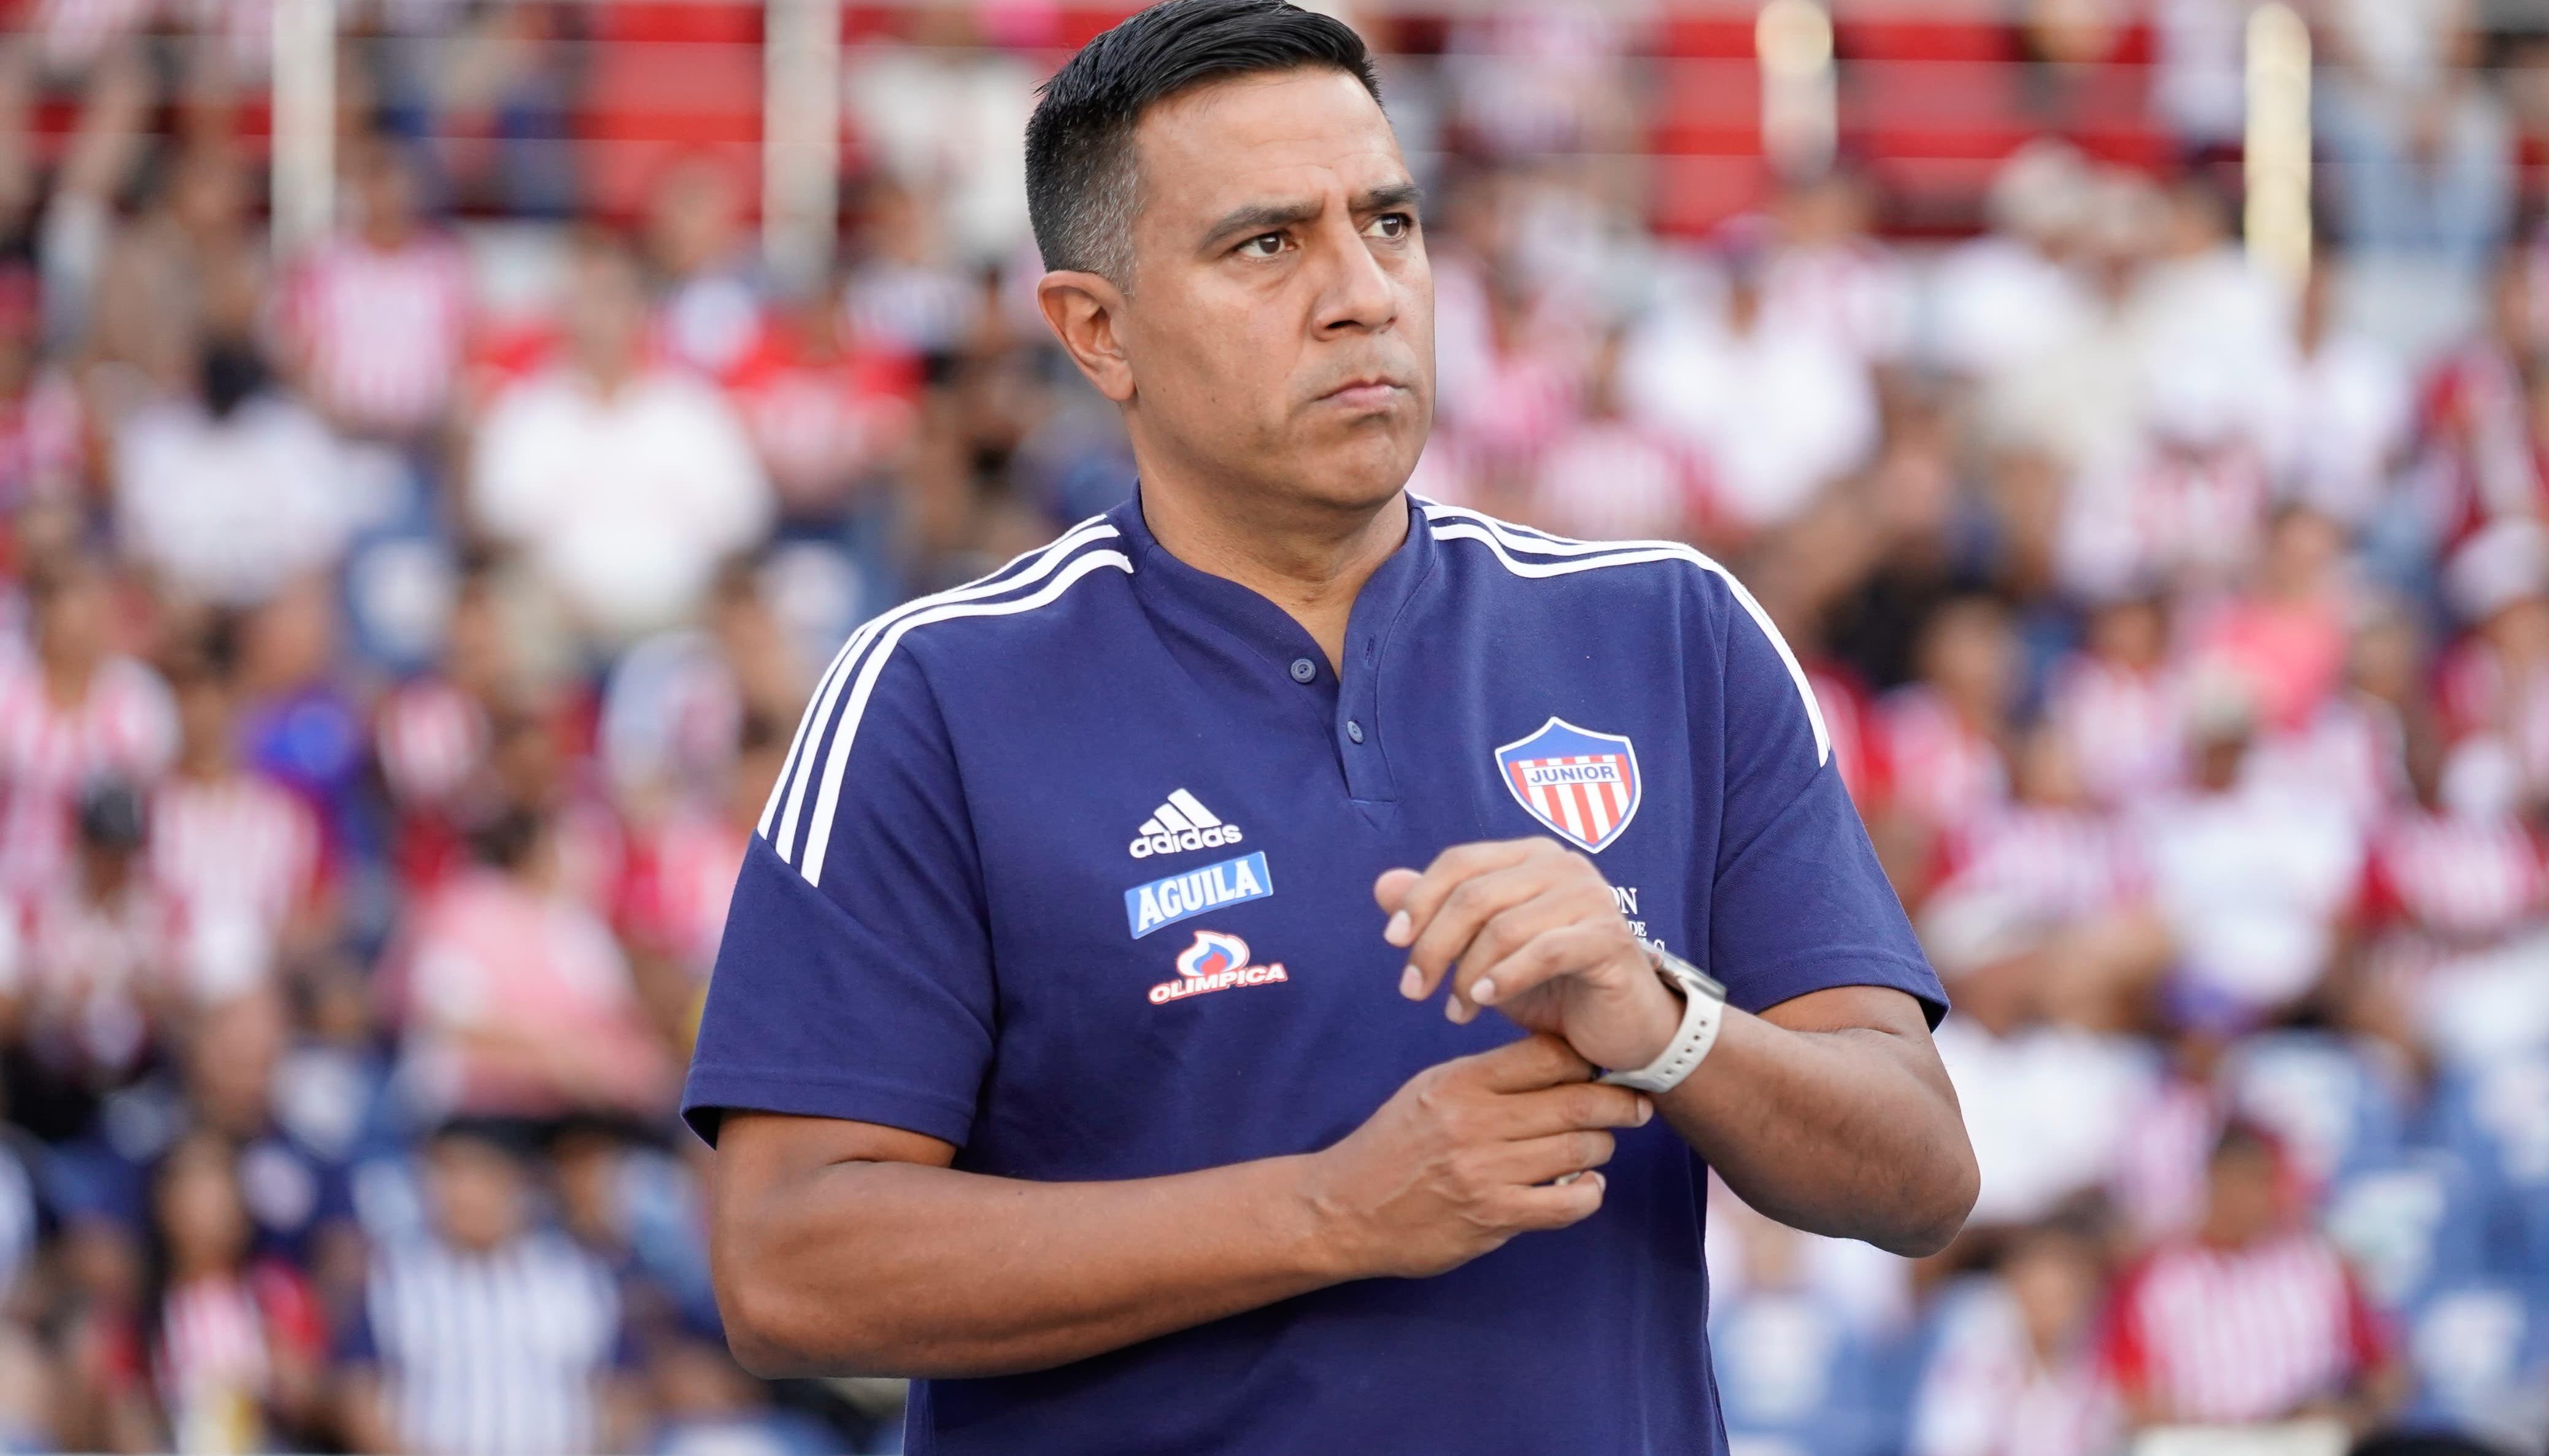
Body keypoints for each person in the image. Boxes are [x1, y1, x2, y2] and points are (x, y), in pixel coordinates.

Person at [687, 4, 1977, 1454]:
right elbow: (787, 1265)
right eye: (1266, 245)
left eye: (1388, 223)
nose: (1361, 291)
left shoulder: (1667, 634)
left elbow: (1918, 1173)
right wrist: (1326, 1214)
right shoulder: (936, 693)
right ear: (1096, 333)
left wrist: (1664, 1023)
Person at [336, 1122, 636, 1456]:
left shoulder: (578, 1277)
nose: (462, 1193)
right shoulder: (395, 1276)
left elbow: (620, 1392)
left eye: (479, 1175)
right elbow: (360, 1394)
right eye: (448, 1175)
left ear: (518, 1184)